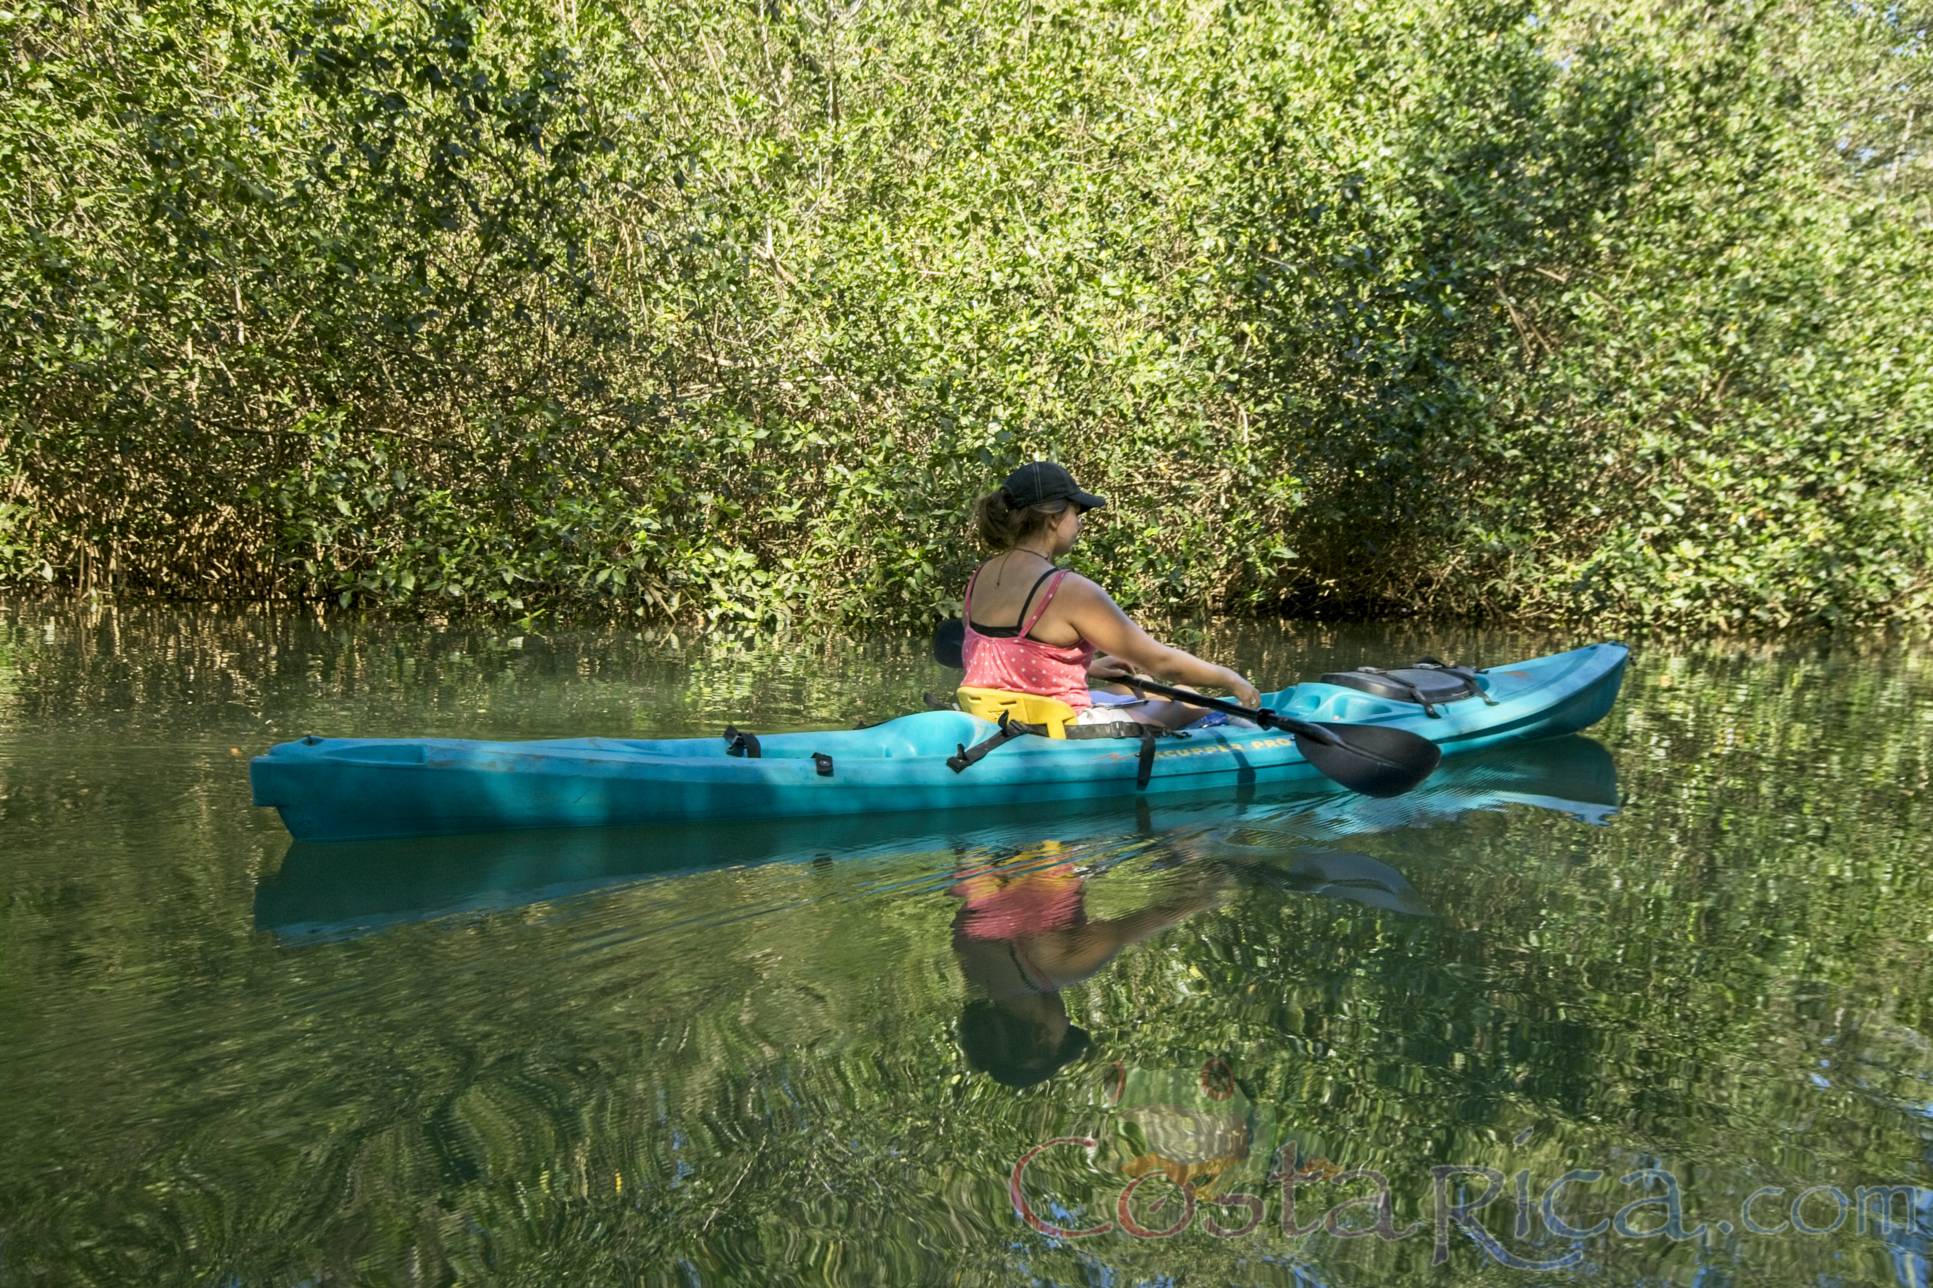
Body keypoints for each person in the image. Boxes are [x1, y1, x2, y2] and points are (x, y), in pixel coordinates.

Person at [962, 461, 1260, 729]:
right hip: (1057, 727)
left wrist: (1089, 667)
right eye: (1076, 512)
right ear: (1053, 518)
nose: (1079, 523)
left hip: (1001, 718)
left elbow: (1006, 655)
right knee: (1191, 699)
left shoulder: (980, 577)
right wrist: (1229, 678)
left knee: (1137, 685)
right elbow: (1162, 663)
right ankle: (1234, 729)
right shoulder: (1068, 589)